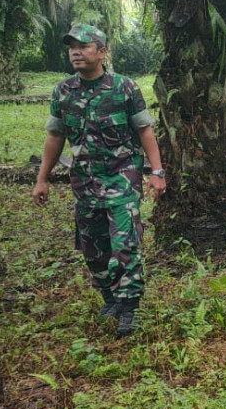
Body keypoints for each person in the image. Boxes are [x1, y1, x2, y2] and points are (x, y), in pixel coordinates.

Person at [32, 24, 167, 337]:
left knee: (126, 243)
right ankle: (109, 297)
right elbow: (55, 136)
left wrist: (157, 172)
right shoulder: (63, 92)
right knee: (93, 247)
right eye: (72, 47)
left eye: (84, 46)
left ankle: (129, 307)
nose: (76, 52)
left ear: (103, 52)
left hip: (122, 176)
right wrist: (42, 178)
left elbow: (145, 130)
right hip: (85, 182)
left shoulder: (125, 87)